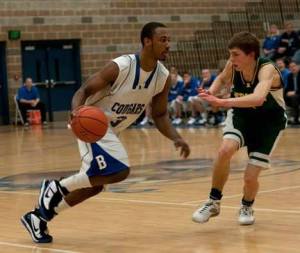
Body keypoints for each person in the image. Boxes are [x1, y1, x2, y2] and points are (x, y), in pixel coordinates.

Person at [21, 22, 190, 243]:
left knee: (95, 186)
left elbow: (159, 115)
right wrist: (76, 114)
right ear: (147, 41)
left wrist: (177, 138)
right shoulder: (122, 66)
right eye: (163, 40)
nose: (168, 45)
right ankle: (56, 187)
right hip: (91, 124)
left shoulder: (162, 77)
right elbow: (83, 91)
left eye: (169, 40)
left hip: (111, 130)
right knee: (120, 171)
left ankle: (39, 217)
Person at [192, 32, 286, 225]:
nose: (231, 58)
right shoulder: (233, 66)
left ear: (251, 54)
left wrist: (221, 101)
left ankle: (247, 205)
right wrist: (210, 93)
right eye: (230, 54)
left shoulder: (267, 69)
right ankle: (213, 201)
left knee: (250, 177)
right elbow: (221, 78)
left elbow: (258, 98)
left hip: (269, 123)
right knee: (225, 150)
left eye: (235, 54)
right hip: (242, 116)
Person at [284, 61, 300, 125]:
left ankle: (296, 118)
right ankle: (289, 117)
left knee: (294, 97)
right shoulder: (289, 76)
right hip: (294, 94)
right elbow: (288, 87)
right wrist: (286, 92)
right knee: (285, 96)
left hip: (297, 94)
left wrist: (295, 92)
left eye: (294, 66)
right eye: (290, 67)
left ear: (298, 66)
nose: (292, 68)